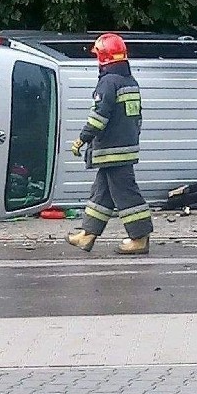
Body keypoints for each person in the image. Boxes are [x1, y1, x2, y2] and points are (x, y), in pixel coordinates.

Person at [66, 33, 153, 255]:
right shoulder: (129, 82)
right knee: (101, 193)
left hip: (111, 150)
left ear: (103, 58)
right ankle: (87, 235)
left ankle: (140, 237)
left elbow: (99, 117)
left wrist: (82, 139)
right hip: (123, 147)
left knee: (125, 193)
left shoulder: (108, 83)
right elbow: (137, 118)